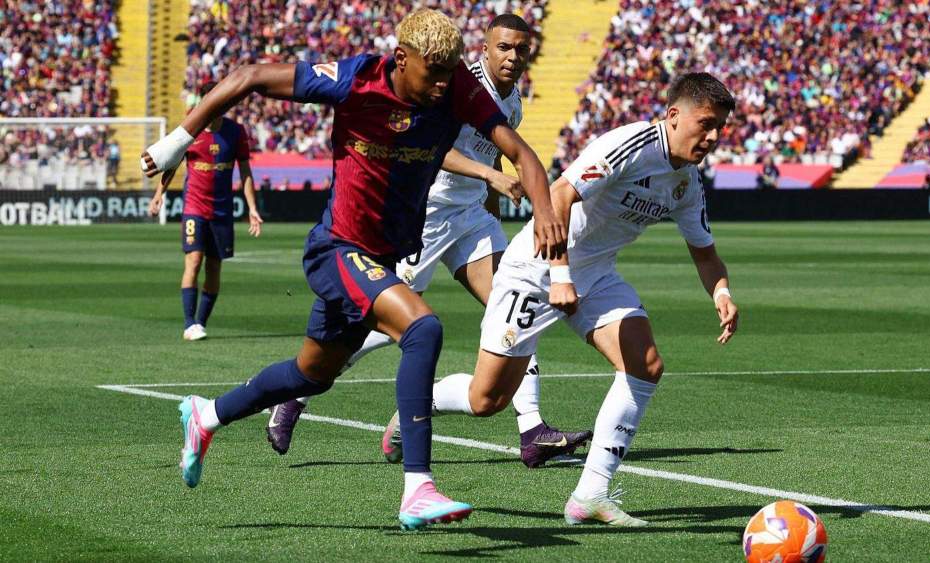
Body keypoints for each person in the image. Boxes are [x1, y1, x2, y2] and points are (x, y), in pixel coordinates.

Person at [139, 9, 565, 531]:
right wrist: (174, 143)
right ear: (401, 60)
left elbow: (521, 154)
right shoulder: (355, 79)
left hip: (381, 256)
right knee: (422, 327)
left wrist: (545, 214)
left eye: (447, 73)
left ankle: (206, 415)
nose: (440, 86)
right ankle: (417, 488)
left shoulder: (457, 89)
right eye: (431, 74)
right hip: (337, 249)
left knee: (310, 374)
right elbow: (247, 77)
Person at [265, 13, 592, 470]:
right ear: (484, 48)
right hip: (426, 213)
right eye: (504, 47)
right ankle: (297, 393)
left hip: (470, 217)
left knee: (519, 301)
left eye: (521, 49)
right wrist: (488, 176)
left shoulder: (512, 99)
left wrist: (489, 204)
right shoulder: (454, 84)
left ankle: (532, 430)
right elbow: (441, 147)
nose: (513, 58)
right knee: (384, 322)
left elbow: (493, 148)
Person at [420, 72, 740, 526]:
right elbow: (559, 196)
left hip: (594, 276)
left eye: (719, 129)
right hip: (535, 270)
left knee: (644, 364)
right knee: (486, 399)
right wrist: (560, 276)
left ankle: (591, 495)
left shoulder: (686, 183)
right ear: (673, 116)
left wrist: (722, 292)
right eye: (705, 124)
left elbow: (705, 254)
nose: (711, 137)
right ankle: (421, 403)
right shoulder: (630, 145)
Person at [148, 82, 263, 340]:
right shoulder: (190, 128)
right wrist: (159, 195)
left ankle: (200, 323)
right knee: (194, 260)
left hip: (222, 212)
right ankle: (189, 323)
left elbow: (245, 172)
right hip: (194, 208)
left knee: (214, 267)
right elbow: (172, 165)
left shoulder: (235, 132)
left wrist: (252, 208)